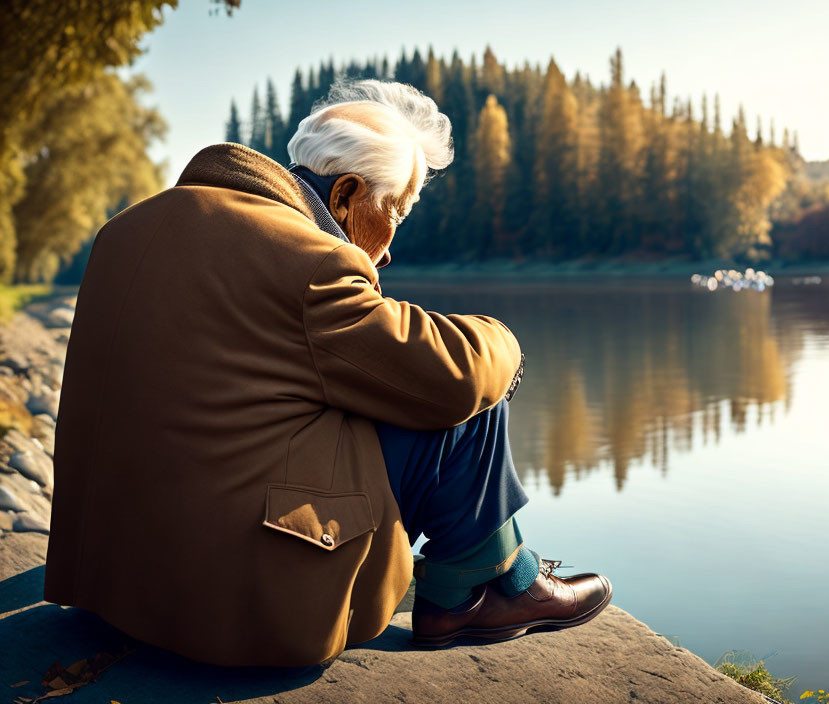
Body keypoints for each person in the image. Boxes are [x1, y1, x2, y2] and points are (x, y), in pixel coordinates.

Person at [43, 78, 611, 667]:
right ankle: (481, 593)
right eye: (396, 211)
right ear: (345, 195)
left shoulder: (128, 228)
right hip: (232, 601)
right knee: (466, 387)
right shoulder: (307, 258)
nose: (389, 249)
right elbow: (453, 377)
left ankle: (490, 580)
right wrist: (509, 343)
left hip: (114, 579)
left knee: (385, 376)